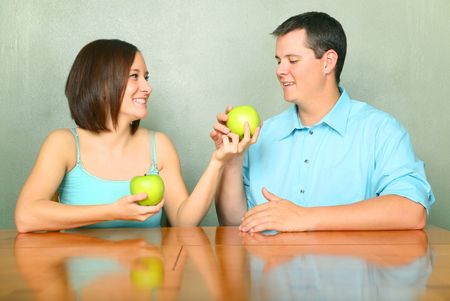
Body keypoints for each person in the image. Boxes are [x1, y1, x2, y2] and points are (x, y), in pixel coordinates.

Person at [211, 12, 435, 232]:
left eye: (293, 60)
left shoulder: (380, 130)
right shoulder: (261, 134)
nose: (280, 70)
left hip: (349, 269)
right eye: (279, 61)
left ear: (328, 62)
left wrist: (304, 217)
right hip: (270, 268)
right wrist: (233, 160)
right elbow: (233, 224)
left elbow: (411, 210)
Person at [15, 39, 257, 233]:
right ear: (102, 83)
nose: (147, 87)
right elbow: (26, 217)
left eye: (146, 77)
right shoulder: (64, 143)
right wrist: (112, 211)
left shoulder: (158, 145)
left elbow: (184, 222)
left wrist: (218, 161)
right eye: (134, 76)